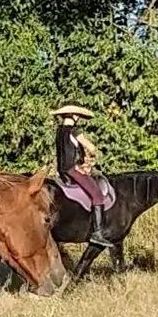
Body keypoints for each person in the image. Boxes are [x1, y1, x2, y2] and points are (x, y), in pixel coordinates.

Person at [52, 103, 111, 247]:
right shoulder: (75, 132)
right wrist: (91, 157)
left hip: (61, 170)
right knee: (97, 195)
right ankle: (97, 233)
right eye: (78, 115)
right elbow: (91, 147)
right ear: (74, 116)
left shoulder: (59, 131)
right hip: (73, 170)